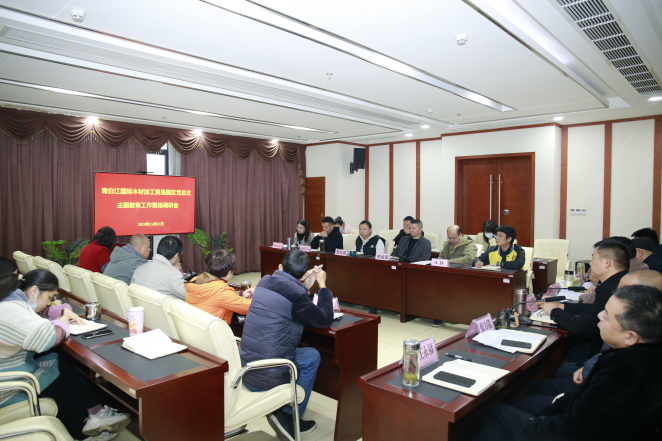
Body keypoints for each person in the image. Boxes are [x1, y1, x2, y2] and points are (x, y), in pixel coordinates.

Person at [471, 284, 662, 441]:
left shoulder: (625, 372)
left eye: (606, 315)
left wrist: (536, 426)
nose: (599, 315)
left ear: (630, 337)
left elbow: (574, 431)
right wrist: (547, 415)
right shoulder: (641, 356)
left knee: (497, 412)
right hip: (568, 422)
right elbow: (584, 399)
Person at [0, 270, 131, 440]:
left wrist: (59, 314)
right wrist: (62, 322)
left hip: (12, 371)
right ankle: (84, 428)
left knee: (59, 361)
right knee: (62, 376)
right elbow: (47, 338)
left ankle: (95, 415)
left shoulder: (12, 302)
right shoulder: (12, 309)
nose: (49, 303)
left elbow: (37, 321)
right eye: (49, 297)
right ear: (33, 291)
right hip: (10, 386)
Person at [514, 269, 662, 415]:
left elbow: (580, 417)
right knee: (542, 381)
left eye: (625, 290)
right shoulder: (642, 343)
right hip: (589, 377)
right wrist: (590, 365)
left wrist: (545, 417)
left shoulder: (625, 371)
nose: (600, 315)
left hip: (579, 406)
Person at [239, 250, 334, 441]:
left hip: (245, 367)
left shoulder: (264, 281)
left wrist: (303, 287)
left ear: (280, 267)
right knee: (312, 356)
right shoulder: (297, 296)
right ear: (303, 274)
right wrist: (322, 285)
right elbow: (324, 318)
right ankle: (289, 415)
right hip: (269, 374)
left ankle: (284, 411)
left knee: (298, 351)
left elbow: (286, 299)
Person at [542, 238, 628, 363]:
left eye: (593, 258)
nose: (591, 263)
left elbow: (581, 326)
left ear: (607, 262)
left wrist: (554, 311)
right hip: (607, 346)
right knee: (572, 352)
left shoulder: (612, 289)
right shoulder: (620, 280)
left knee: (565, 361)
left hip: (607, 355)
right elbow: (594, 309)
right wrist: (562, 306)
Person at [185, 250, 251, 324]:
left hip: (195, 325)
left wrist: (240, 295)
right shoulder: (222, 291)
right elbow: (249, 308)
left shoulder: (195, 280)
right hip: (213, 329)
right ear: (229, 272)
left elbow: (215, 298)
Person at [131, 235, 186, 300]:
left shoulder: (139, 269)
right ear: (176, 256)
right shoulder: (172, 274)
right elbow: (189, 295)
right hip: (164, 306)